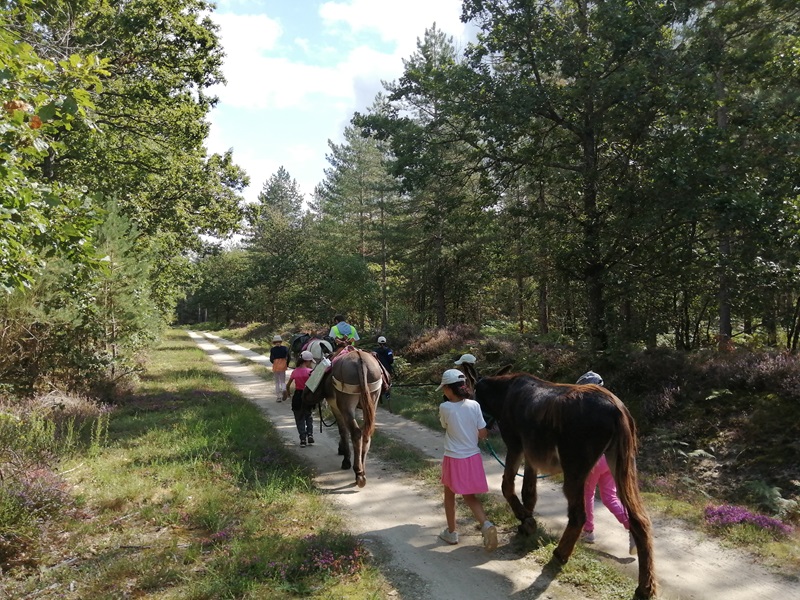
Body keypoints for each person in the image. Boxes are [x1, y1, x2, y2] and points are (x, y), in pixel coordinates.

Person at [436, 368, 498, 552]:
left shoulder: (445, 407)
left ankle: (452, 532)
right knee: (469, 496)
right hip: (473, 457)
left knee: (449, 494)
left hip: (454, 457)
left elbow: (444, 425)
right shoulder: (475, 405)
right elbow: (483, 433)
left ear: (448, 389)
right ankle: (486, 524)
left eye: (443, 388)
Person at [577, 370, 637, 555]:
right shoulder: (614, 405)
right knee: (609, 496)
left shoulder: (587, 409)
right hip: (613, 458)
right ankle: (632, 528)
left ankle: (588, 531)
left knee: (586, 494)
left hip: (594, 459)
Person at [285, 350, 315, 447]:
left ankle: (302, 439)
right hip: (308, 396)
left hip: (297, 396)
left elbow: (288, 385)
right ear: (307, 361)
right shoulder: (310, 372)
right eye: (310, 361)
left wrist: (289, 393)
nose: (311, 363)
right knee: (308, 416)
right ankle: (310, 434)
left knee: (299, 418)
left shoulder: (294, 372)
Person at [374, 336, 394, 404]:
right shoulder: (389, 351)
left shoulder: (375, 351)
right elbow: (391, 360)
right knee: (389, 382)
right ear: (385, 342)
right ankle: (387, 394)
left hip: (377, 368)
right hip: (387, 368)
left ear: (378, 343)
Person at [269, 335, 289, 401]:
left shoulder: (272, 349)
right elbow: (288, 356)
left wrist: (274, 362)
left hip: (276, 365)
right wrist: (287, 364)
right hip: (283, 364)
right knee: (283, 380)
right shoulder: (285, 348)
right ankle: (284, 389)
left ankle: (278, 397)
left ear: (274, 342)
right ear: (281, 342)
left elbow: (271, 358)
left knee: (277, 382)